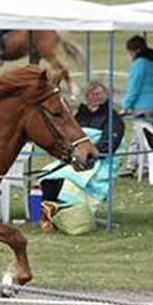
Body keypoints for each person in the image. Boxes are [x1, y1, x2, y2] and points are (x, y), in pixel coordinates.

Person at [40, 81, 124, 228]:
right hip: (76, 157)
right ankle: (50, 213)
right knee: (47, 174)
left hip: (99, 160)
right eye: (92, 94)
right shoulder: (80, 115)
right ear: (87, 97)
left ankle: (73, 216)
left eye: (99, 93)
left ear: (106, 95)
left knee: (70, 179)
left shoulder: (112, 117)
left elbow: (110, 141)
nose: (96, 97)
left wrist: (92, 154)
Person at [118, 35, 153, 177]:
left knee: (139, 137)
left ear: (135, 50)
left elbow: (134, 86)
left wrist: (125, 106)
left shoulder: (139, 64)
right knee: (146, 135)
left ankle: (134, 167)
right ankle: (142, 166)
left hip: (143, 105)